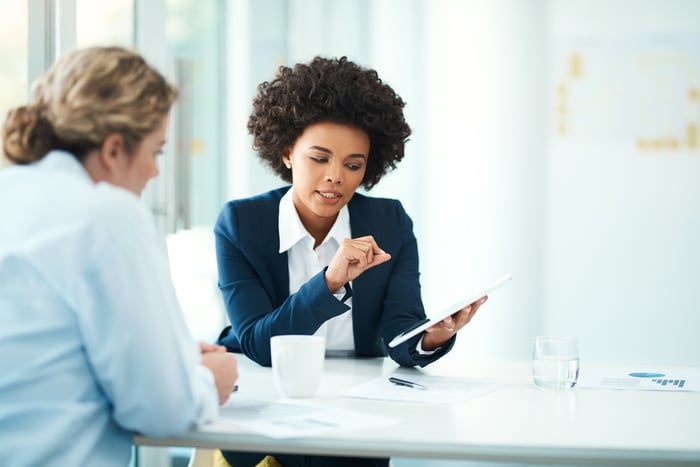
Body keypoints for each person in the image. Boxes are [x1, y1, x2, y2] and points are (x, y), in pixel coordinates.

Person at [214, 56, 488, 467]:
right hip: (263, 405)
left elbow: (401, 331)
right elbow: (259, 343)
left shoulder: (388, 221)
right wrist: (329, 281)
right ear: (287, 152)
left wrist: (431, 337)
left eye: (353, 165)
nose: (335, 177)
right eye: (319, 158)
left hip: (356, 410)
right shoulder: (241, 223)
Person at [0, 46, 238, 467]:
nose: (155, 172)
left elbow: (51, 359)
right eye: (155, 152)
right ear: (113, 150)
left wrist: (175, 358)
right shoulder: (106, 213)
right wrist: (206, 380)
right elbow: (162, 410)